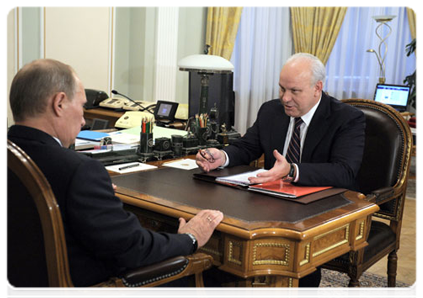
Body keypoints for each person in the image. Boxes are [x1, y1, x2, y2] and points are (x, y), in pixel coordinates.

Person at [6, 59, 224, 298]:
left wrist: (93, 197)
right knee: (209, 280)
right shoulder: (78, 171)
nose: (83, 120)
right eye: (82, 106)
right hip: (91, 290)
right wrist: (190, 238)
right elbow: (132, 249)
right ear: (59, 103)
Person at [196, 53, 366, 298]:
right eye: (282, 89)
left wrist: (292, 170)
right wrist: (221, 157)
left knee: (296, 263)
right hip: (266, 204)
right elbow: (246, 148)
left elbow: (345, 171)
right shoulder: (270, 111)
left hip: (317, 210)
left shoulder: (346, 118)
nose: (286, 98)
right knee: (226, 245)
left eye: (295, 91)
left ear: (318, 88)